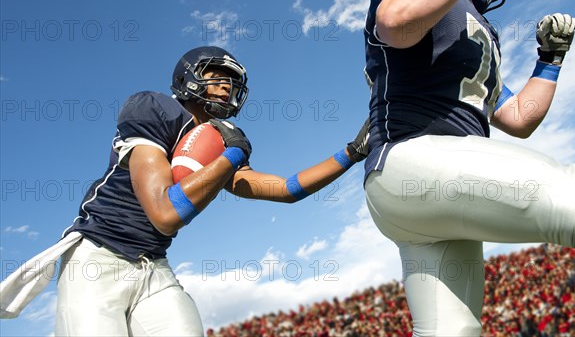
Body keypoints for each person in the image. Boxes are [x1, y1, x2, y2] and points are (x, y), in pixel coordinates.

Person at [0, 46, 368, 335]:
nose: (226, 85)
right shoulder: (154, 107)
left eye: (231, 81)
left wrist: (350, 153)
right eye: (217, 75)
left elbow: (286, 189)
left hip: (152, 267)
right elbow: (164, 214)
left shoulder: (218, 142)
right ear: (189, 78)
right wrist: (234, 154)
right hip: (97, 259)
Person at [361, 0, 575, 335]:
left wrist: (549, 60)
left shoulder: (474, 26)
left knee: (452, 330)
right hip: (414, 157)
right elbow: (397, 19)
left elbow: (519, 118)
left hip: (423, 190)